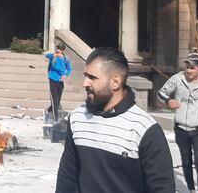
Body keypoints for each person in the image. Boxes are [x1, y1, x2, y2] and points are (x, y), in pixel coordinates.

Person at [56, 47, 175, 192]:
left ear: (115, 82)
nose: (85, 83)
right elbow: (67, 177)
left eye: (92, 77)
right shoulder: (77, 118)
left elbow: (161, 187)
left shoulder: (144, 128)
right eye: (85, 76)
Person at [157, 52, 198, 193]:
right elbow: (161, 93)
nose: (188, 71)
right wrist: (169, 100)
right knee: (186, 162)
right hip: (181, 129)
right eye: (187, 67)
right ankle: (191, 189)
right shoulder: (177, 79)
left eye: (192, 68)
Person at [45, 42, 72, 123]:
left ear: (63, 50)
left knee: (58, 100)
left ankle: (48, 110)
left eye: (60, 49)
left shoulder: (65, 58)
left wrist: (66, 75)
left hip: (60, 81)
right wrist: (55, 55)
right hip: (53, 79)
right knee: (54, 100)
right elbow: (47, 55)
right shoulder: (53, 56)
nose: (58, 50)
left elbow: (69, 68)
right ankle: (55, 119)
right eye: (57, 48)